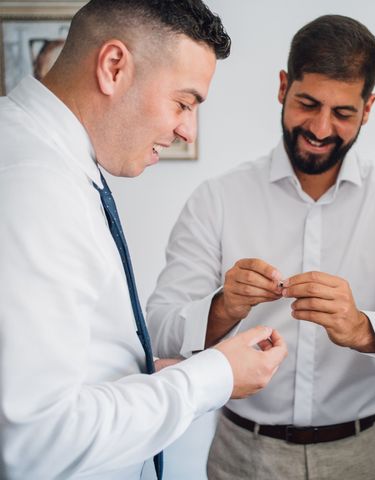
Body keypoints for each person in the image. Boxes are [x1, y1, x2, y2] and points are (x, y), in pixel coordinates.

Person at [147, 13, 375, 480]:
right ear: (283, 87)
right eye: (307, 103)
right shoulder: (217, 201)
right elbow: (157, 330)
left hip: (367, 455)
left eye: (343, 113)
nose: (320, 128)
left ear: (369, 107)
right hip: (245, 455)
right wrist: (222, 308)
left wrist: (364, 329)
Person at [0, 1, 287, 479]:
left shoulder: (41, 151)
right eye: (184, 102)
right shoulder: (35, 185)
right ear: (114, 67)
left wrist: (153, 369)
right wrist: (213, 377)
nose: (186, 129)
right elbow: (36, 438)